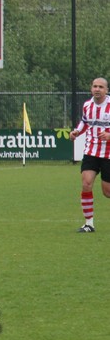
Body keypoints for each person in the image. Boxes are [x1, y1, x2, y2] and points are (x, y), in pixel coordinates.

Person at [70, 76, 110, 232]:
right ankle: (89, 224)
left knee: (107, 192)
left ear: (106, 90)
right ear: (91, 88)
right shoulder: (87, 105)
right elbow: (85, 122)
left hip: (108, 154)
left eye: (101, 87)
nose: (97, 89)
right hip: (91, 151)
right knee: (86, 184)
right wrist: (76, 132)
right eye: (95, 86)